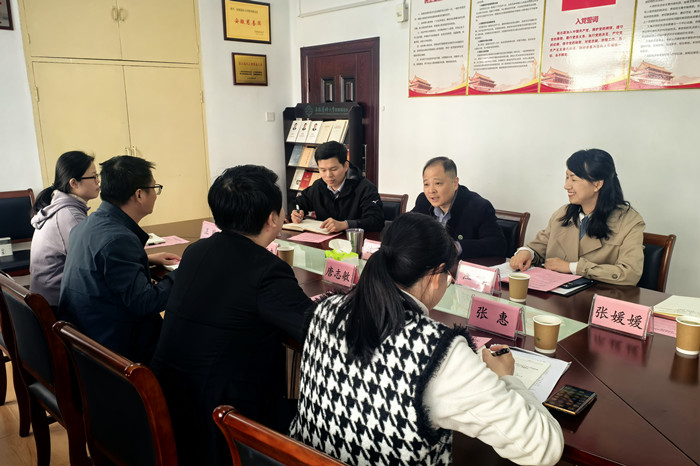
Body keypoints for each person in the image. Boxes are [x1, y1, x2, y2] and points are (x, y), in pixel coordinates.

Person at [290, 213, 563, 465]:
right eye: (448, 275)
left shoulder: (325, 310)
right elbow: (543, 448)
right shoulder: (438, 352)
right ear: (435, 275)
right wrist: (506, 378)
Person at [151, 165, 313, 466]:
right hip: (225, 420)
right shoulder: (266, 270)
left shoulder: (197, 251)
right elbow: (313, 329)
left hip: (171, 401)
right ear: (272, 218)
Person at [57, 155, 179, 363]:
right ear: (139, 194)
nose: (156, 195)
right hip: (113, 354)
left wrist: (147, 260)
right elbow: (145, 303)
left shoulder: (87, 225)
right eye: (154, 188)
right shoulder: (118, 240)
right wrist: (183, 274)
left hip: (85, 339)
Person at [510, 149, 644, 285]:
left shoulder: (629, 222)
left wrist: (572, 267)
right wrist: (527, 252)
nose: (566, 186)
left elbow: (630, 273)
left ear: (597, 184)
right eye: (567, 177)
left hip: (598, 295)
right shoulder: (563, 213)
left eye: (574, 179)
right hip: (555, 294)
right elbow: (539, 246)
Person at [30, 151, 101, 307]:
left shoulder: (61, 208)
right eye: (93, 177)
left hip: (47, 298)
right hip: (57, 305)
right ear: (74, 183)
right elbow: (95, 263)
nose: (98, 181)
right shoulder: (70, 216)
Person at [412, 156, 506, 259]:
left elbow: (498, 245)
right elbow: (405, 227)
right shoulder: (423, 201)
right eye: (426, 184)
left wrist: (456, 247)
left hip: (461, 267)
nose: (431, 191)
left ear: (455, 183)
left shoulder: (478, 207)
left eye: (438, 183)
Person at [289, 141, 384, 233]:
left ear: (345, 166)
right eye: (323, 170)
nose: (328, 175)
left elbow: (376, 221)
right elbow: (297, 203)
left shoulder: (365, 188)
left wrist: (345, 224)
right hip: (323, 240)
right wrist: (296, 212)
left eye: (333, 169)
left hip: (353, 241)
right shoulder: (318, 186)